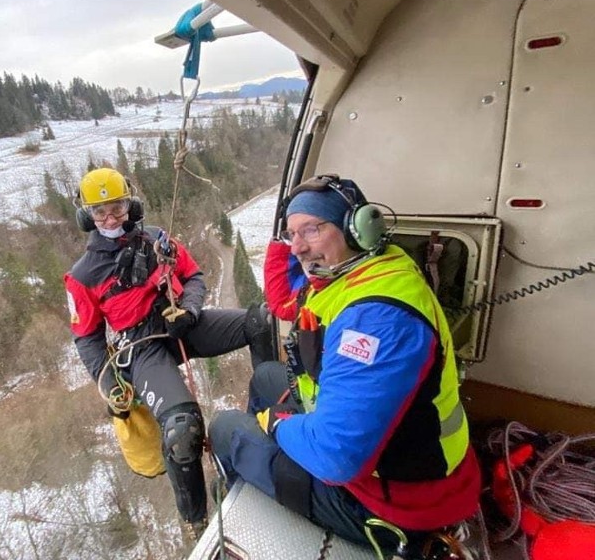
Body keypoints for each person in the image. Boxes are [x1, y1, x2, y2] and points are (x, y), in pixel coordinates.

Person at [209, 174, 481, 553]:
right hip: (407, 460)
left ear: (358, 231)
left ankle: (263, 471)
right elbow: (286, 301)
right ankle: (270, 463)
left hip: (393, 505)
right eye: (292, 235)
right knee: (266, 378)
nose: (299, 248)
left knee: (224, 429)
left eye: (312, 230)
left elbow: (337, 459)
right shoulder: (374, 268)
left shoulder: (373, 322)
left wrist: (276, 426)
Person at [64, 167, 273, 539]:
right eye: (100, 212)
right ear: (86, 216)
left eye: (117, 208)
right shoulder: (83, 275)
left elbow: (193, 277)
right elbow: (87, 337)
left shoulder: (158, 238)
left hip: (180, 321)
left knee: (260, 322)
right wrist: (109, 382)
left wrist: (190, 309)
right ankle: (195, 523)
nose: (111, 219)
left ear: (131, 204)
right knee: (182, 429)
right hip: (142, 346)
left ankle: (269, 417)